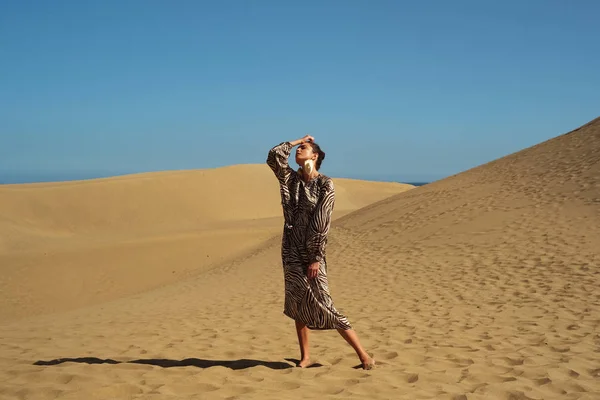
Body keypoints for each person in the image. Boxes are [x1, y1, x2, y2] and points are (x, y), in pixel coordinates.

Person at [266, 135, 375, 370]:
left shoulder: (326, 184)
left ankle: (364, 355)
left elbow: (322, 221)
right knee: (297, 302)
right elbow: (274, 155)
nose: (298, 151)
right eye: (298, 149)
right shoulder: (290, 179)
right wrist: (297, 140)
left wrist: (315, 256)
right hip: (291, 248)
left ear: (314, 156)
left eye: (304, 149)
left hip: (312, 250)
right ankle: (305, 357)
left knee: (324, 301)